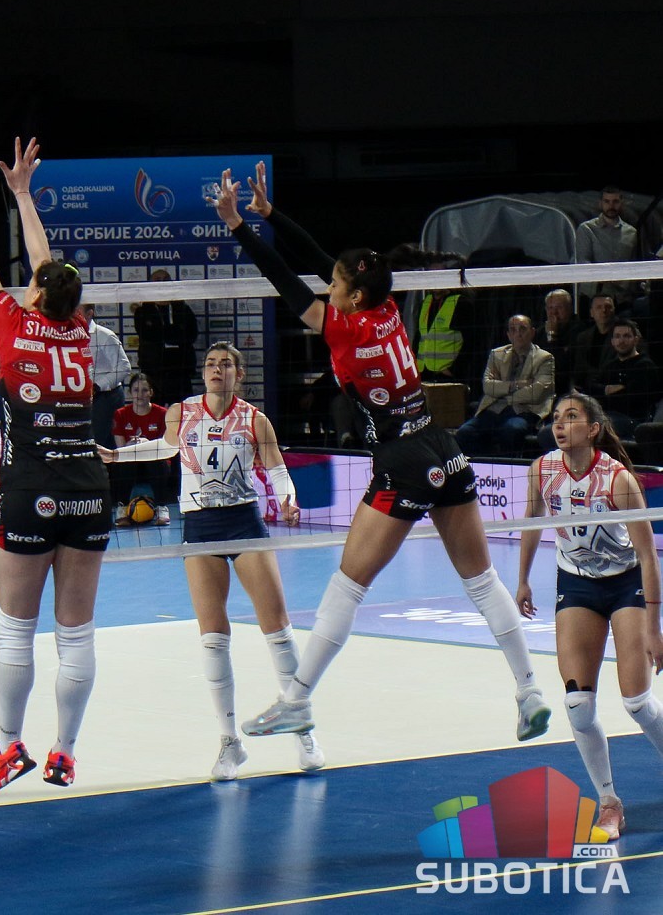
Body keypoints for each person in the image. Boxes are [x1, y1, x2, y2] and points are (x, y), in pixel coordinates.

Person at [209, 161, 550, 742]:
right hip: (443, 447)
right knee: (481, 581)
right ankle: (529, 691)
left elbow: (287, 282)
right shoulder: (386, 310)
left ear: (353, 296)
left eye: (337, 285)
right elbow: (323, 263)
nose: (329, 286)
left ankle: (297, 699)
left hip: (401, 460)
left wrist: (241, 226)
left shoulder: (344, 329)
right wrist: (272, 215)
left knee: (347, 583)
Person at [0, 136, 109, 790]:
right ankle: (66, 751)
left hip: (29, 489)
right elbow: (48, 269)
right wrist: (23, 194)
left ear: (35, 294)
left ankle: (9, 747)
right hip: (88, 489)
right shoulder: (81, 330)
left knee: (16, 630)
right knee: (77, 635)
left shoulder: (13, 323)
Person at [102, 341, 324, 779]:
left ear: (239, 375)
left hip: (243, 523)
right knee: (213, 637)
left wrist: (288, 498)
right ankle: (229, 743)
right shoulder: (182, 412)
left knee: (277, 628)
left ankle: (303, 733)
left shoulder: (254, 420)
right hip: (200, 527)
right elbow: (164, 448)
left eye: (225, 364)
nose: (216, 369)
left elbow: (277, 469)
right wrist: (118, 455)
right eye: (210, 363)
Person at [515, 392, 663, 841]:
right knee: (578, 705)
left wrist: (654, 629)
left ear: (593, 429)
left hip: (625, 584)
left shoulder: (617, 480)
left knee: (637, 703)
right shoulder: (542, 470)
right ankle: (609, 802)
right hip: (577, 584)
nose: (559, 425)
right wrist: (522, 580)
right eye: (555, 418)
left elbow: (648, 554)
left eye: (571, 417)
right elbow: (531, 521)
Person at [454, 314, 555, 457]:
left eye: (522, 329)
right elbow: (488, 386)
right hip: (492, 410)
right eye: (513, 330)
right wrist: (516, 385)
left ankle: (507, 467)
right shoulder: (497, 354)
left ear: (532, 332)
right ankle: (481, 467)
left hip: (524, 411)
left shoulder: (545, 358)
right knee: (465, 432)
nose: (518, 333)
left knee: (511, 430)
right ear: (508, 335)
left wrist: (503, 393)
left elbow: (536, 393)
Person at [109, 372, 172, 526]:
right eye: (136, 390)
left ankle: (161, 507)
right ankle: (122, 507)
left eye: (144, 390)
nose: (140, 395)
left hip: (155, 459)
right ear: (130, 393)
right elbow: (120, 449)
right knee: (124, 460)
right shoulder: (121, 414)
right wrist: (132, 445)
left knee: (157, 460)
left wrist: (147, 444)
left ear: (151, 392)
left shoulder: (162, 414)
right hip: (131, 461)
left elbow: (166, 447)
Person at [132, 269, 198, 405]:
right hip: (153, 372)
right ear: (150, 284)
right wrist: (175, 332)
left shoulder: (183, 309)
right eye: (157, 280)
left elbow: (192, 335)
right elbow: (149, 336)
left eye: (166, 279)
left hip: (180, 371)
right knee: (154, 412)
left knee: (184, 412)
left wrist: (163, 333)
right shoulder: (142, 311)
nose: (162, 283)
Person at [576, 188, 640, 311]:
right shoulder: (587, 229)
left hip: (622, 298)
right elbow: (583, 262)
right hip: (593, 297)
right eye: (607, 201)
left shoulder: (631, 232)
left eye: (615, 201)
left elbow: (634, 264)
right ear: (600, 203)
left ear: (621, 203)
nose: (611, 206)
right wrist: (608, 277)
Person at [82, 301, 131, 448]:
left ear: (89, 314)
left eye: (77, 311)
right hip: (82, 397)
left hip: (105, 397)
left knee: (100, 445)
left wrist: (97, 386)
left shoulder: (104, 335)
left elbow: (124, 367)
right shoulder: (69, 335)